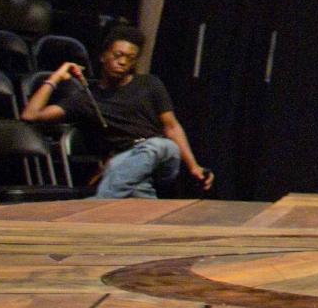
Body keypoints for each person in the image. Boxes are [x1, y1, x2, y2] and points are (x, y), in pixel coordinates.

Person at [19, 25, 214, 198]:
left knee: (155, 146)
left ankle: (97, 204)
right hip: (126, 163)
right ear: (103, 56)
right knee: (135, 189)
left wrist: (193, 166)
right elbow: (31, 115)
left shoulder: (150, 84)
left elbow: (171, 127)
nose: (122, 62)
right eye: (118, 55)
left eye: (130, 58)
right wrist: (57, 76)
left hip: (162, 157)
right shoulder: (87, 98)